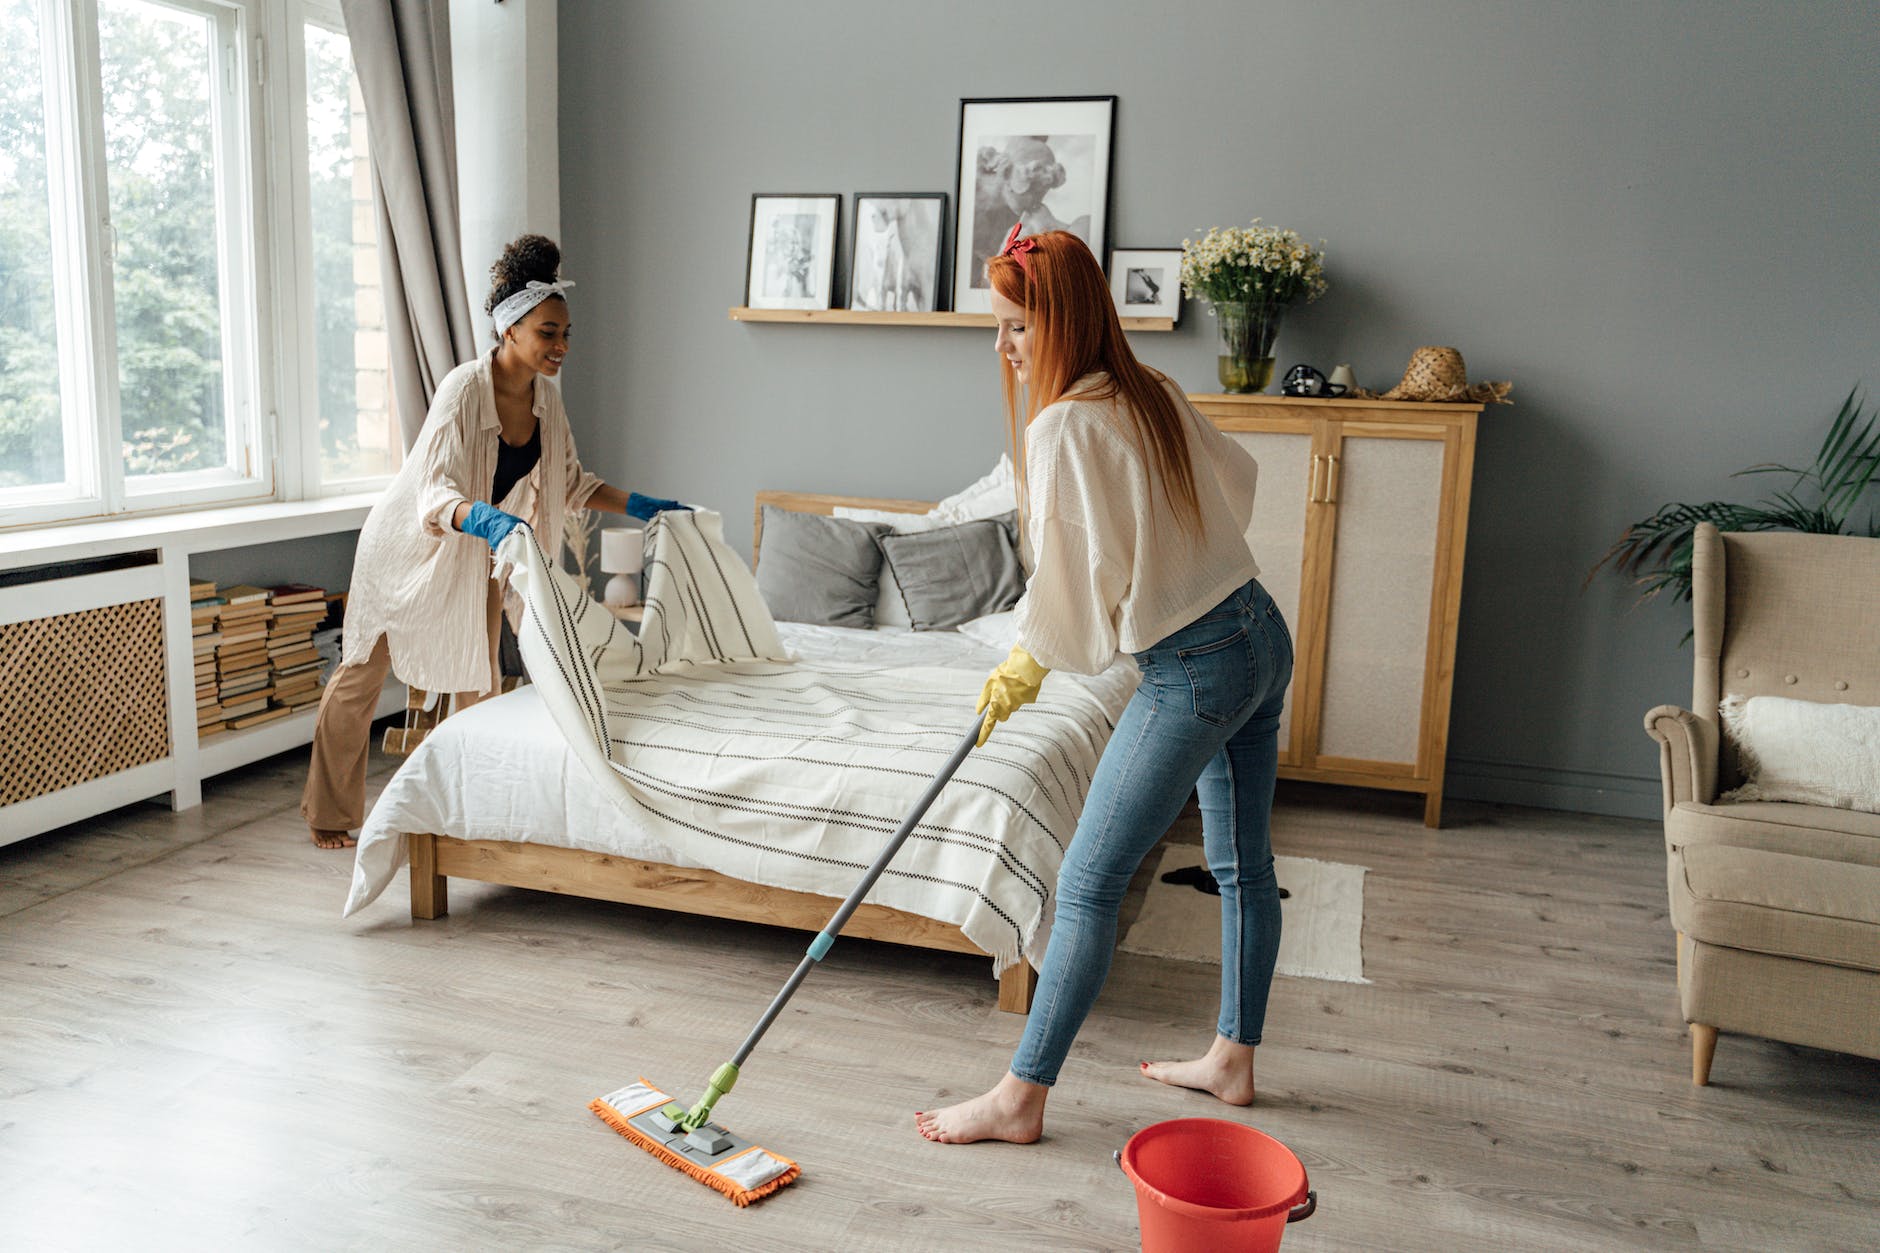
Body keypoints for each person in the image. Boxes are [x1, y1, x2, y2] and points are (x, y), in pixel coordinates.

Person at [915, 225, 1293, 1145]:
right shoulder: (1146, 386)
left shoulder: (1065, 424)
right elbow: (1234, 486)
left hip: (1192, 668)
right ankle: (1233, 1057)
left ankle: (1020, 1097)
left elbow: (1072, 584)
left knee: (1083, 884)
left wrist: (1026, 660)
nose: (1001, 349)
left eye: (1015, 328)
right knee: (1244, 865)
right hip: (1255, 629)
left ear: (1061, 320)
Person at [301, 234, 635, 849]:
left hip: (472, 553)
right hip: (406, 551)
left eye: (566, 334)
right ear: (510, 330)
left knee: (479, 682)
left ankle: (467, 811)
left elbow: (570, 483)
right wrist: (487, 521)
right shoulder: (462, 390)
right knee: (361, 679)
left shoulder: (545, 401)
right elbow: (433, 492)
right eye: (548, 333)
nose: (561, 347)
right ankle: (329, 813)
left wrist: (642, 506)